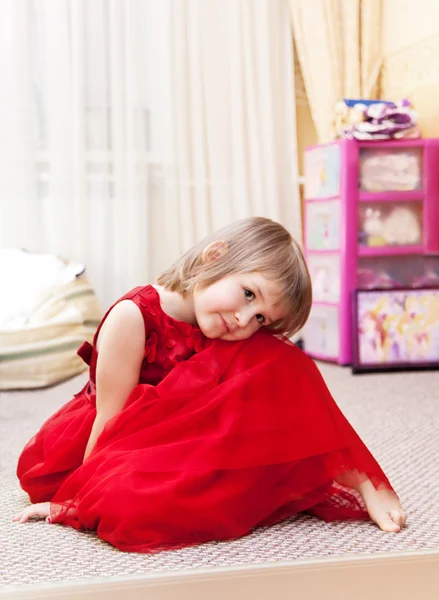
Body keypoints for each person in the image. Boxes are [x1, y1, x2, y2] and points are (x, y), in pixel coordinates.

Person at [13, 217, 406, 553]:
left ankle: (360, 476)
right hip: (120, 437)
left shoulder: (226, 324)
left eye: (261, 318)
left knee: (286, 362)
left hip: (188, 431)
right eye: (248, 294)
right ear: (214, 256)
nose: (244, 319)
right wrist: (74, 501)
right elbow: (109, 419)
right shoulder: (131, 317)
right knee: (128, 504)